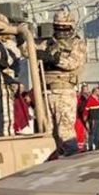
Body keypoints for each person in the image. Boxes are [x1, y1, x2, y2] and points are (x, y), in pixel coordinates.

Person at [38, 8, 87, 154]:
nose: (61, 31)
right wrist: (22, 39)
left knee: (65, 133)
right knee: (47, 133)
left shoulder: (77, 44)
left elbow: (73, 63)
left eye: (64, 27)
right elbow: (30, 52)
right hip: (45, 92)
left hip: (64, 91)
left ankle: (70, 164)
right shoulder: (48, 43)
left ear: (71, 27)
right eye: (57, 27)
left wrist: (54, 58)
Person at [84, 86, 99, 151]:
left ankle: (97, 145)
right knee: (92, 132)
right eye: (98, 91)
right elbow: (86, 109)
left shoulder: (98, 98)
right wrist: (85, 116)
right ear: (95, 91)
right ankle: (90, 146)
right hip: (93, 117)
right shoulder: (90, 99)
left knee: (97, 132)